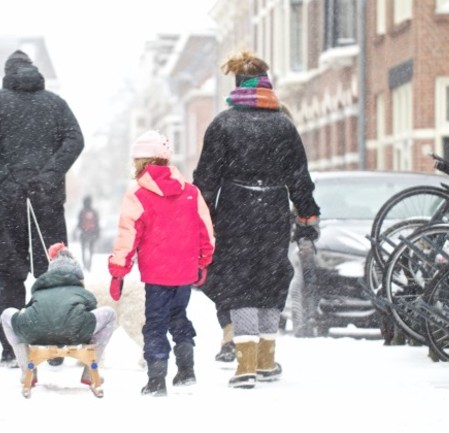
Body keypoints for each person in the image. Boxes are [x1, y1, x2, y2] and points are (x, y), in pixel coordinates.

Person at [192, 50, 320, 389]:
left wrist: (203, 219)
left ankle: (244, 363)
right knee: (270, 278)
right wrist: (307, 215)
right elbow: (299, 177)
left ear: (237, 85)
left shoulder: (223, 124)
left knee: (239, 283)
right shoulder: (284, 125)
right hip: (274, 210)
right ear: (266, 84)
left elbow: (205, 179)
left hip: (235, 211)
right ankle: (266, 358)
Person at [0, 49, 84, 367]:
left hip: (5, 205)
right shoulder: (56, 105)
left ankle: (11, 347)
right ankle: (55, 339)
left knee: (10, 276)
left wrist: (7, 182)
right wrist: (48, 177)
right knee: (51, 272)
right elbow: (74, 141)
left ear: (7, 74)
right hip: (47, 202)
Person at [107, 130, 215, 397]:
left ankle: (156, 379)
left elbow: (127, 236)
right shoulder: (190, 192)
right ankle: (187, 369)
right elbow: (206, 230)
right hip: (184, 271)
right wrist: (203, 261)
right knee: (178, 316)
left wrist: (118, 272)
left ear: (140, 163)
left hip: (157, 274)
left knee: (155, 323)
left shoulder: (138, 196)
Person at [0, 243, 117, 385]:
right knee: (110, 314)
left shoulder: (39, 289)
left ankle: (26, 369)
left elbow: (30, 307)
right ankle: (89, 370)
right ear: (78, 275)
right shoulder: (82, 292)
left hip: (35, 331)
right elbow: (92, 309)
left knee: (6, 314)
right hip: (74, 332)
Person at [76, 195, 100, 271]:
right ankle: (89, 264)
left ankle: (85, 264)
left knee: (83, 250)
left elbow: (79, 223)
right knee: (90, 250)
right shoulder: (94, 212)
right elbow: (97, 223)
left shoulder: (82, 212)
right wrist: (97, 232)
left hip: (84, 233)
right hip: (92, 233)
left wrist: (82, 228)